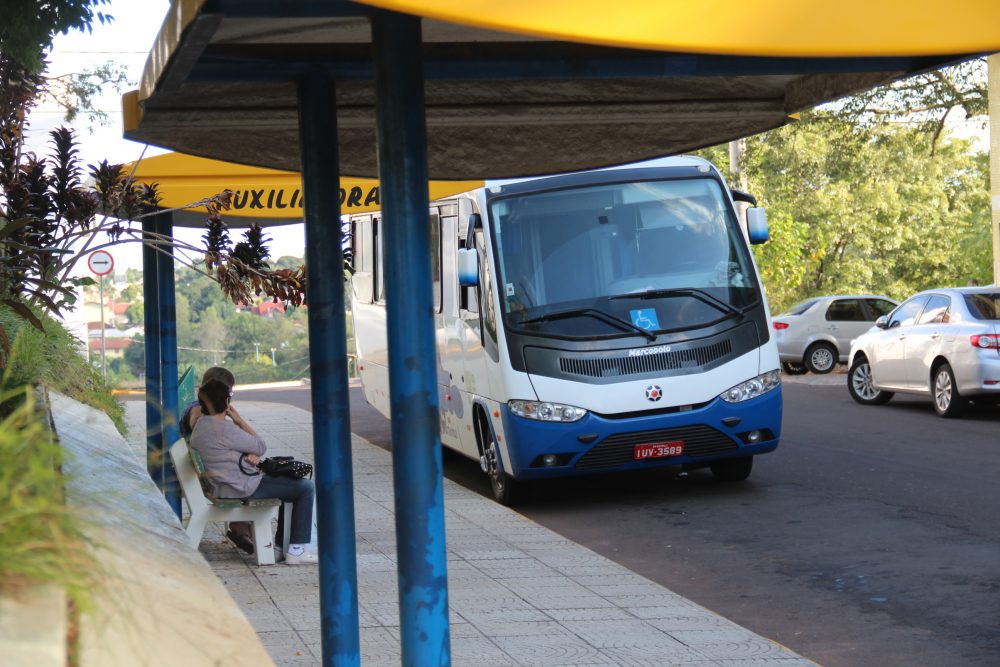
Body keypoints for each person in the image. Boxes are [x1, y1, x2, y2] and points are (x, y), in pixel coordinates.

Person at [189, 379, 317, 565]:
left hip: (222, 485)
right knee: (304, 487)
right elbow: (260, 446)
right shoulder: (224, 429)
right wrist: (239, 421)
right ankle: (297, 550)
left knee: (286, 484)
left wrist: (244, 455)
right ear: (227, 403)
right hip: (240, 487)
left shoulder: (201, 425)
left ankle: (280, 548)